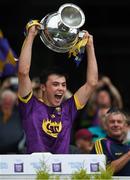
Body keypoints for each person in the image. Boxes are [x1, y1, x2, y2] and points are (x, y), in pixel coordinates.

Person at [18, 24, 98, 154]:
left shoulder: (69, 108)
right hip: (34, 171)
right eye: (55, 84)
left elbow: (92, 83)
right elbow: (23, 72)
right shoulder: (29, 105)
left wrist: (90, 46)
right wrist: (31, 36)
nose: (61, 88)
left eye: (63, 85)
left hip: (63, 172)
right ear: (43, 87)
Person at [91, 108, 130, 176]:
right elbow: (106, 170)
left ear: (125, 126)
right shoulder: (101, 143)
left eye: (119, 122)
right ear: (106, 126)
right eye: (112, 122)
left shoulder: (127, 146)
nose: (116, 125)